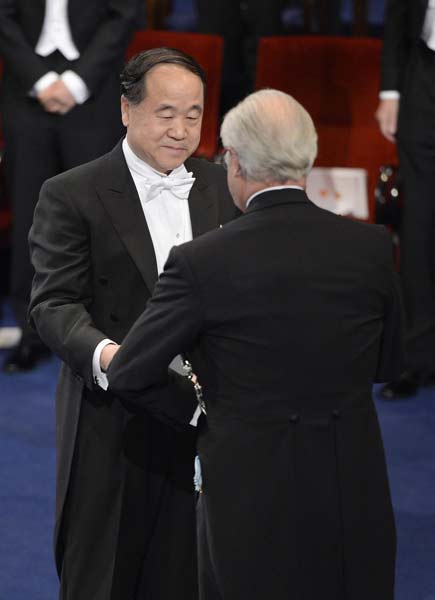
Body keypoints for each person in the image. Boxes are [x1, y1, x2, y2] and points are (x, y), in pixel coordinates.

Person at [108, 89, 405, 600]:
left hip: (247, 490)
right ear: (307, 159)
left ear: (236, 163)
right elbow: (390, 364)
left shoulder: (201, 262)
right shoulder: (373, 249)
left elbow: (130, 371)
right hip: (351, 481)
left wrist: (204, 408)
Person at [28, 48, 237, 600]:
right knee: (105, 576)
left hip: (207, 416)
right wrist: (110, 359)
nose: (181, 129)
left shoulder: (221, 186)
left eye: (194, 114)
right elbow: (53, 305)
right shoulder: (71, 193)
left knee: (193, 571)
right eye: (166, 112)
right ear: (126, 109)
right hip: (113, 416)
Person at [0, 0, 139, 373]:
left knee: (99, 217)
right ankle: (32, 335)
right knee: (29, 218)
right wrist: (42, 80)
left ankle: (99, 336)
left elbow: (125, 13)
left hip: (94, 94)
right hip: (25, 95)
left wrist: (77, 82)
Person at [375, 0, 435, 399]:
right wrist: (391, 90)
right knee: (419, 225)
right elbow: (399, 13)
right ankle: (418, 358)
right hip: (423, 76)